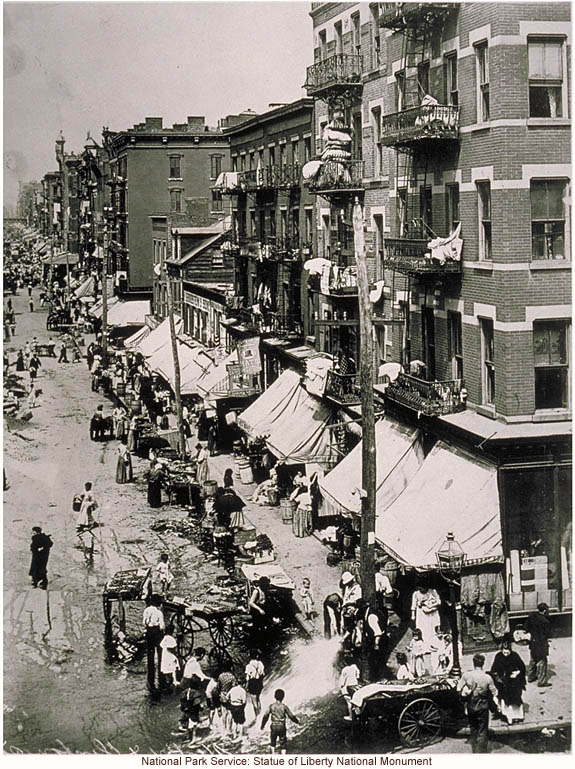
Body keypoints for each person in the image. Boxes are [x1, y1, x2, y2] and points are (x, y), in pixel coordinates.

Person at [457, 653, 499, 753]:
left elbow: (458, 688)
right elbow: (495, 693)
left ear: (473, 663)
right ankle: (481, 752)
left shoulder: (466, 675)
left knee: (473, 728)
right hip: (483, 706)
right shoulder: (487, 678)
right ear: (483, 664)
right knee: (483, 730)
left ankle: (475, 750)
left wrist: (466, 692)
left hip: (471, 705)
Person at [490, 638, 526, 724]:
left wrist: (517, 673)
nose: (506, 654)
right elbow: (493, 669)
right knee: (505, 698)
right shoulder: (498, 656)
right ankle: (507, 715)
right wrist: (497, 677)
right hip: (503, 682)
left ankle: (518, 715)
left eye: (507, 652)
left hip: (514, 681)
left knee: (515, 698)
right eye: (504, 652)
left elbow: (522, 667)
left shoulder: (515, 656)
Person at [261, 688, 299, 755]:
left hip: (274, 726)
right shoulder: (284, 707)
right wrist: (297, 721)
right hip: (281, 726)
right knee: (283, 743)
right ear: (283, 697)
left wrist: (262, 725)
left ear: (274, 696)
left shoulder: (271, 706)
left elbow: (265, 716)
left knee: (273, 742)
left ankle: (273, 755)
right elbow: (291, 716)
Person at [524, 602, 551, 687]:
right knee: (542, 662)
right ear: (544, 611)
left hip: (533, 643)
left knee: (533, 659)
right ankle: (542, 682)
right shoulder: (545, 621)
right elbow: (547, 634)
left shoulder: (532, 616)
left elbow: (526, 627)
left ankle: (530, 677)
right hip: (541, 644)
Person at [143, 594, 165, 692]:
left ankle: (150, 671)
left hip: (149, 632)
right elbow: (162, 626)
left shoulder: (146, 610)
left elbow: (144, 622)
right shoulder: (159, 613)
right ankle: (161, 671)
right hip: (157, 632)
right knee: (160, 652)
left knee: (150, 652)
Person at [179, 676, 203, 743]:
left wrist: (183, 707)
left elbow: (182, 700)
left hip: (186, 710)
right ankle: (194, 738)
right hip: (193, 711)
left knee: (188, 723)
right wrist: (200, 708)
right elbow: (196, 703)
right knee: (194, 725)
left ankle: (188, 736)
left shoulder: (185, 692)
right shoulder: (196, 693)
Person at [339, 654, 360, 721]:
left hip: (347, 687)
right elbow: (358, 676)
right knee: (356, 700)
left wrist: (341, 688)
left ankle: (351, 717)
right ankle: (357, 714)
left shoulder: (345, 669)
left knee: (349, 702)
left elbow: (342, 681)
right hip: (355, 686)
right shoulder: (354, 667)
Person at [244, 650, 265, 718]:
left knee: (254, 701)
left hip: (252, 683)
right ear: (257, 656)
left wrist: (246, 686)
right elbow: (262, 673)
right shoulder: (260, 664)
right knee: (258, 699)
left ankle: (257, 716)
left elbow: (247, 678)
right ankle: (260, 714)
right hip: (259, 682)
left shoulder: (248, 666)